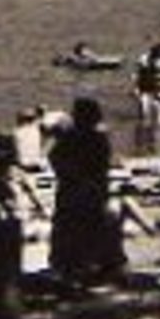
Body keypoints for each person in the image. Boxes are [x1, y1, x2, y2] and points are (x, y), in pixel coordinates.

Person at [48, 98, 125, 288]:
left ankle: (73, 269)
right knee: (91, 227)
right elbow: (102, 165)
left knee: (74, 229)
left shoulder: (70, 138)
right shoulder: (97, 139)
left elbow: (54, 158)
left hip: (74, 190)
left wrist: (68, 175)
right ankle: (90, 267)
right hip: (89, 190)